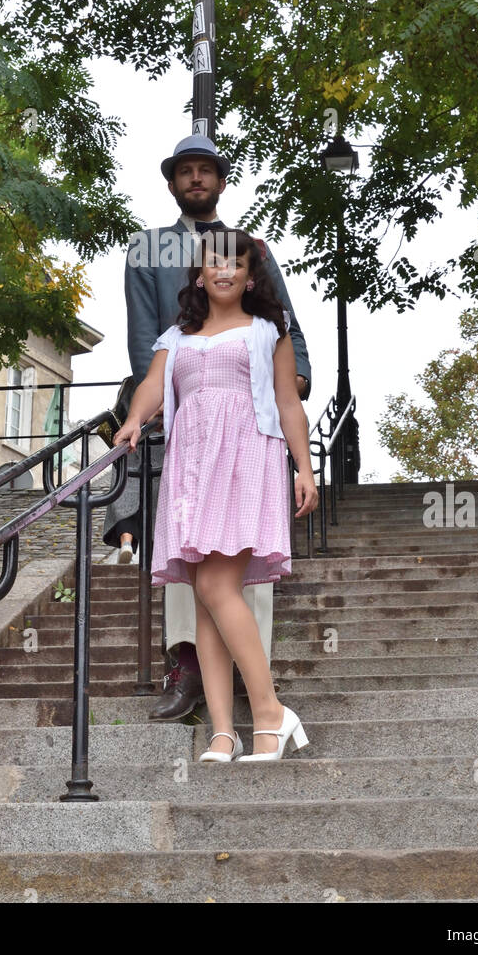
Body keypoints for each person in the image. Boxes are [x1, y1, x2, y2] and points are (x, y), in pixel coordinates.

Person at [101, 135, 312, 720]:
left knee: (246, 548)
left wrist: (297, 382)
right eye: (185, 172)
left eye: (206, 171)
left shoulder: (250, 250)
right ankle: (187, 665)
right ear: (172, 183)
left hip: (249, 415)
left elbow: (282, 320)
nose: (195, 179)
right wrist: (149, 408)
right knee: (190, 548)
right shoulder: (147, 248)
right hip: (186, 409)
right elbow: (147, 337)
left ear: (221, 180)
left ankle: (254, 674)